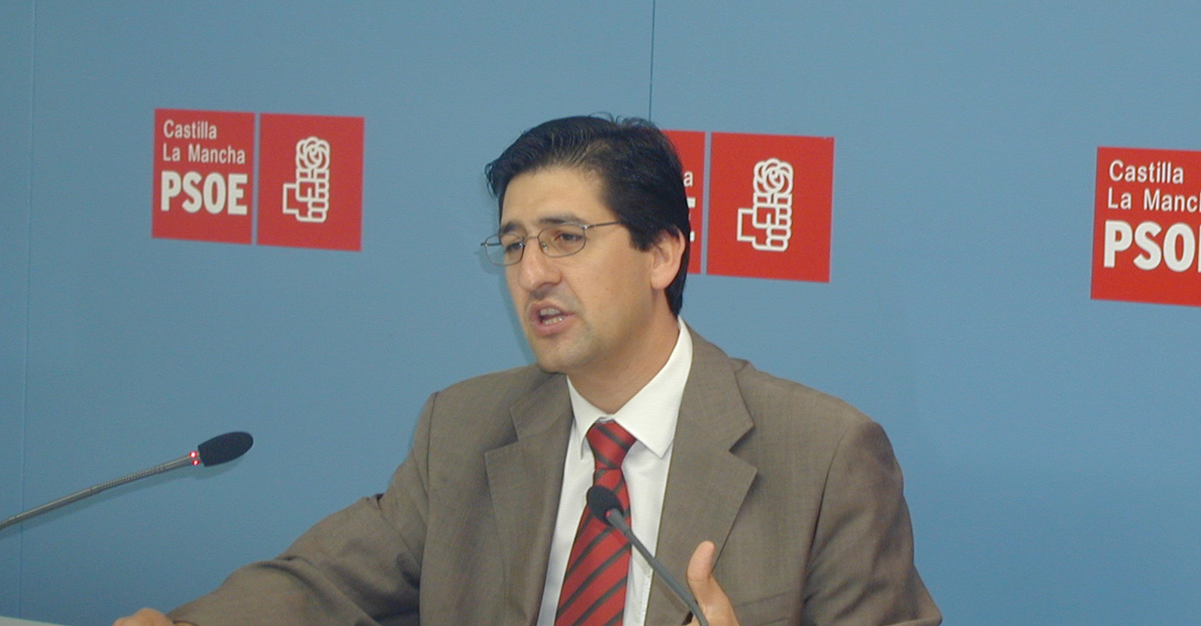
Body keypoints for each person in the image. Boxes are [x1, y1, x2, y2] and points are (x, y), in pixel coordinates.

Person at [116, 115, 941, 626]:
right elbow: (323, 585)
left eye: (565, 238)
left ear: (662, 254)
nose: (533, 273)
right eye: (513, 245)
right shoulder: (465, 428)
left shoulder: (822, 457)